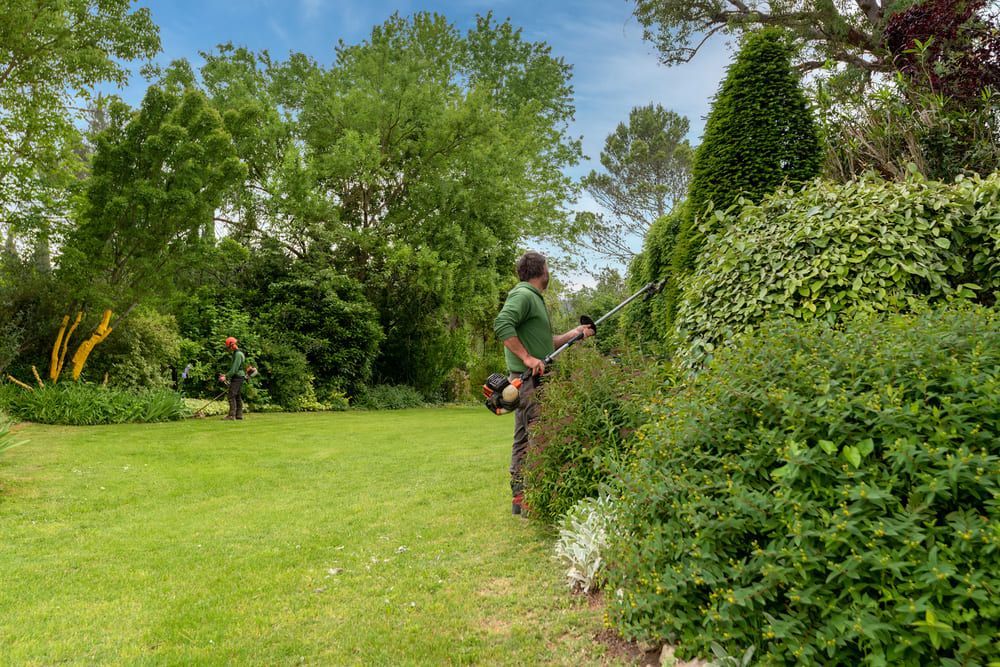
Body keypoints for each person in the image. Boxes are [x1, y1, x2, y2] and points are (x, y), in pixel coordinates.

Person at [493, 251, 595, 515]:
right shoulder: (524, 295)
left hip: (528, 381)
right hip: (529, 381)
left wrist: (576, 333)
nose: (550, 272)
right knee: (539, 437)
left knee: (525, 438)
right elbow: (503, 324)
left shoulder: (533, 299)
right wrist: (527, 358)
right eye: (548, 267)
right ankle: (530, 500)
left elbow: (546, 345)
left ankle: (521, 500)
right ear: (541, 270)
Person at [219, 336, 247, 420]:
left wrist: (226, 376)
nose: (229, 349)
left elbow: (234, 368)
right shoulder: (236, 353)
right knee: (237, 395)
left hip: (238, 377)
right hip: (238, 376)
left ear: (233, 345)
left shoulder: (238, 354)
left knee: (231, 395)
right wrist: (226, 375)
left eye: (229, 347)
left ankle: (231, 415)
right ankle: (239, 415)